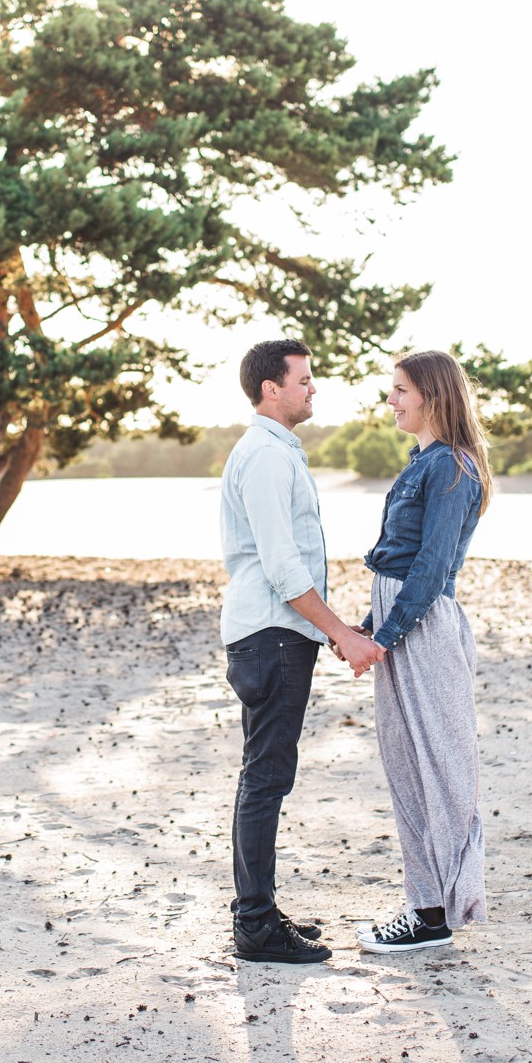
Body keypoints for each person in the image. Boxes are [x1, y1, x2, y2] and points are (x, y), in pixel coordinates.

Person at [219, 338, 388, 964]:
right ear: (271, 388)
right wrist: (341, 632)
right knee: (265, 778)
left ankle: (258, 910)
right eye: (304, 380)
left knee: (263, 775)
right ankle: (256, 926)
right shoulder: (265, 455)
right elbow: (283, 567)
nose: (313, 389)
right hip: (272, 634)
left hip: (274, 633)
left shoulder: (276, 451)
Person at [352, 349, 493, 954]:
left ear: (434, 394)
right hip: (400, 622)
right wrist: (364, 626)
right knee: (406, 764)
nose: (392, 400)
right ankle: (424, 905)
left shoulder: (453, 468)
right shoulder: (425, 463)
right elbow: (398, 561)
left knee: (441, 766)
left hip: (423, 630)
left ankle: (440, 912)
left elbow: (432, 568)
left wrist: (381, 637)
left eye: (401, 389)